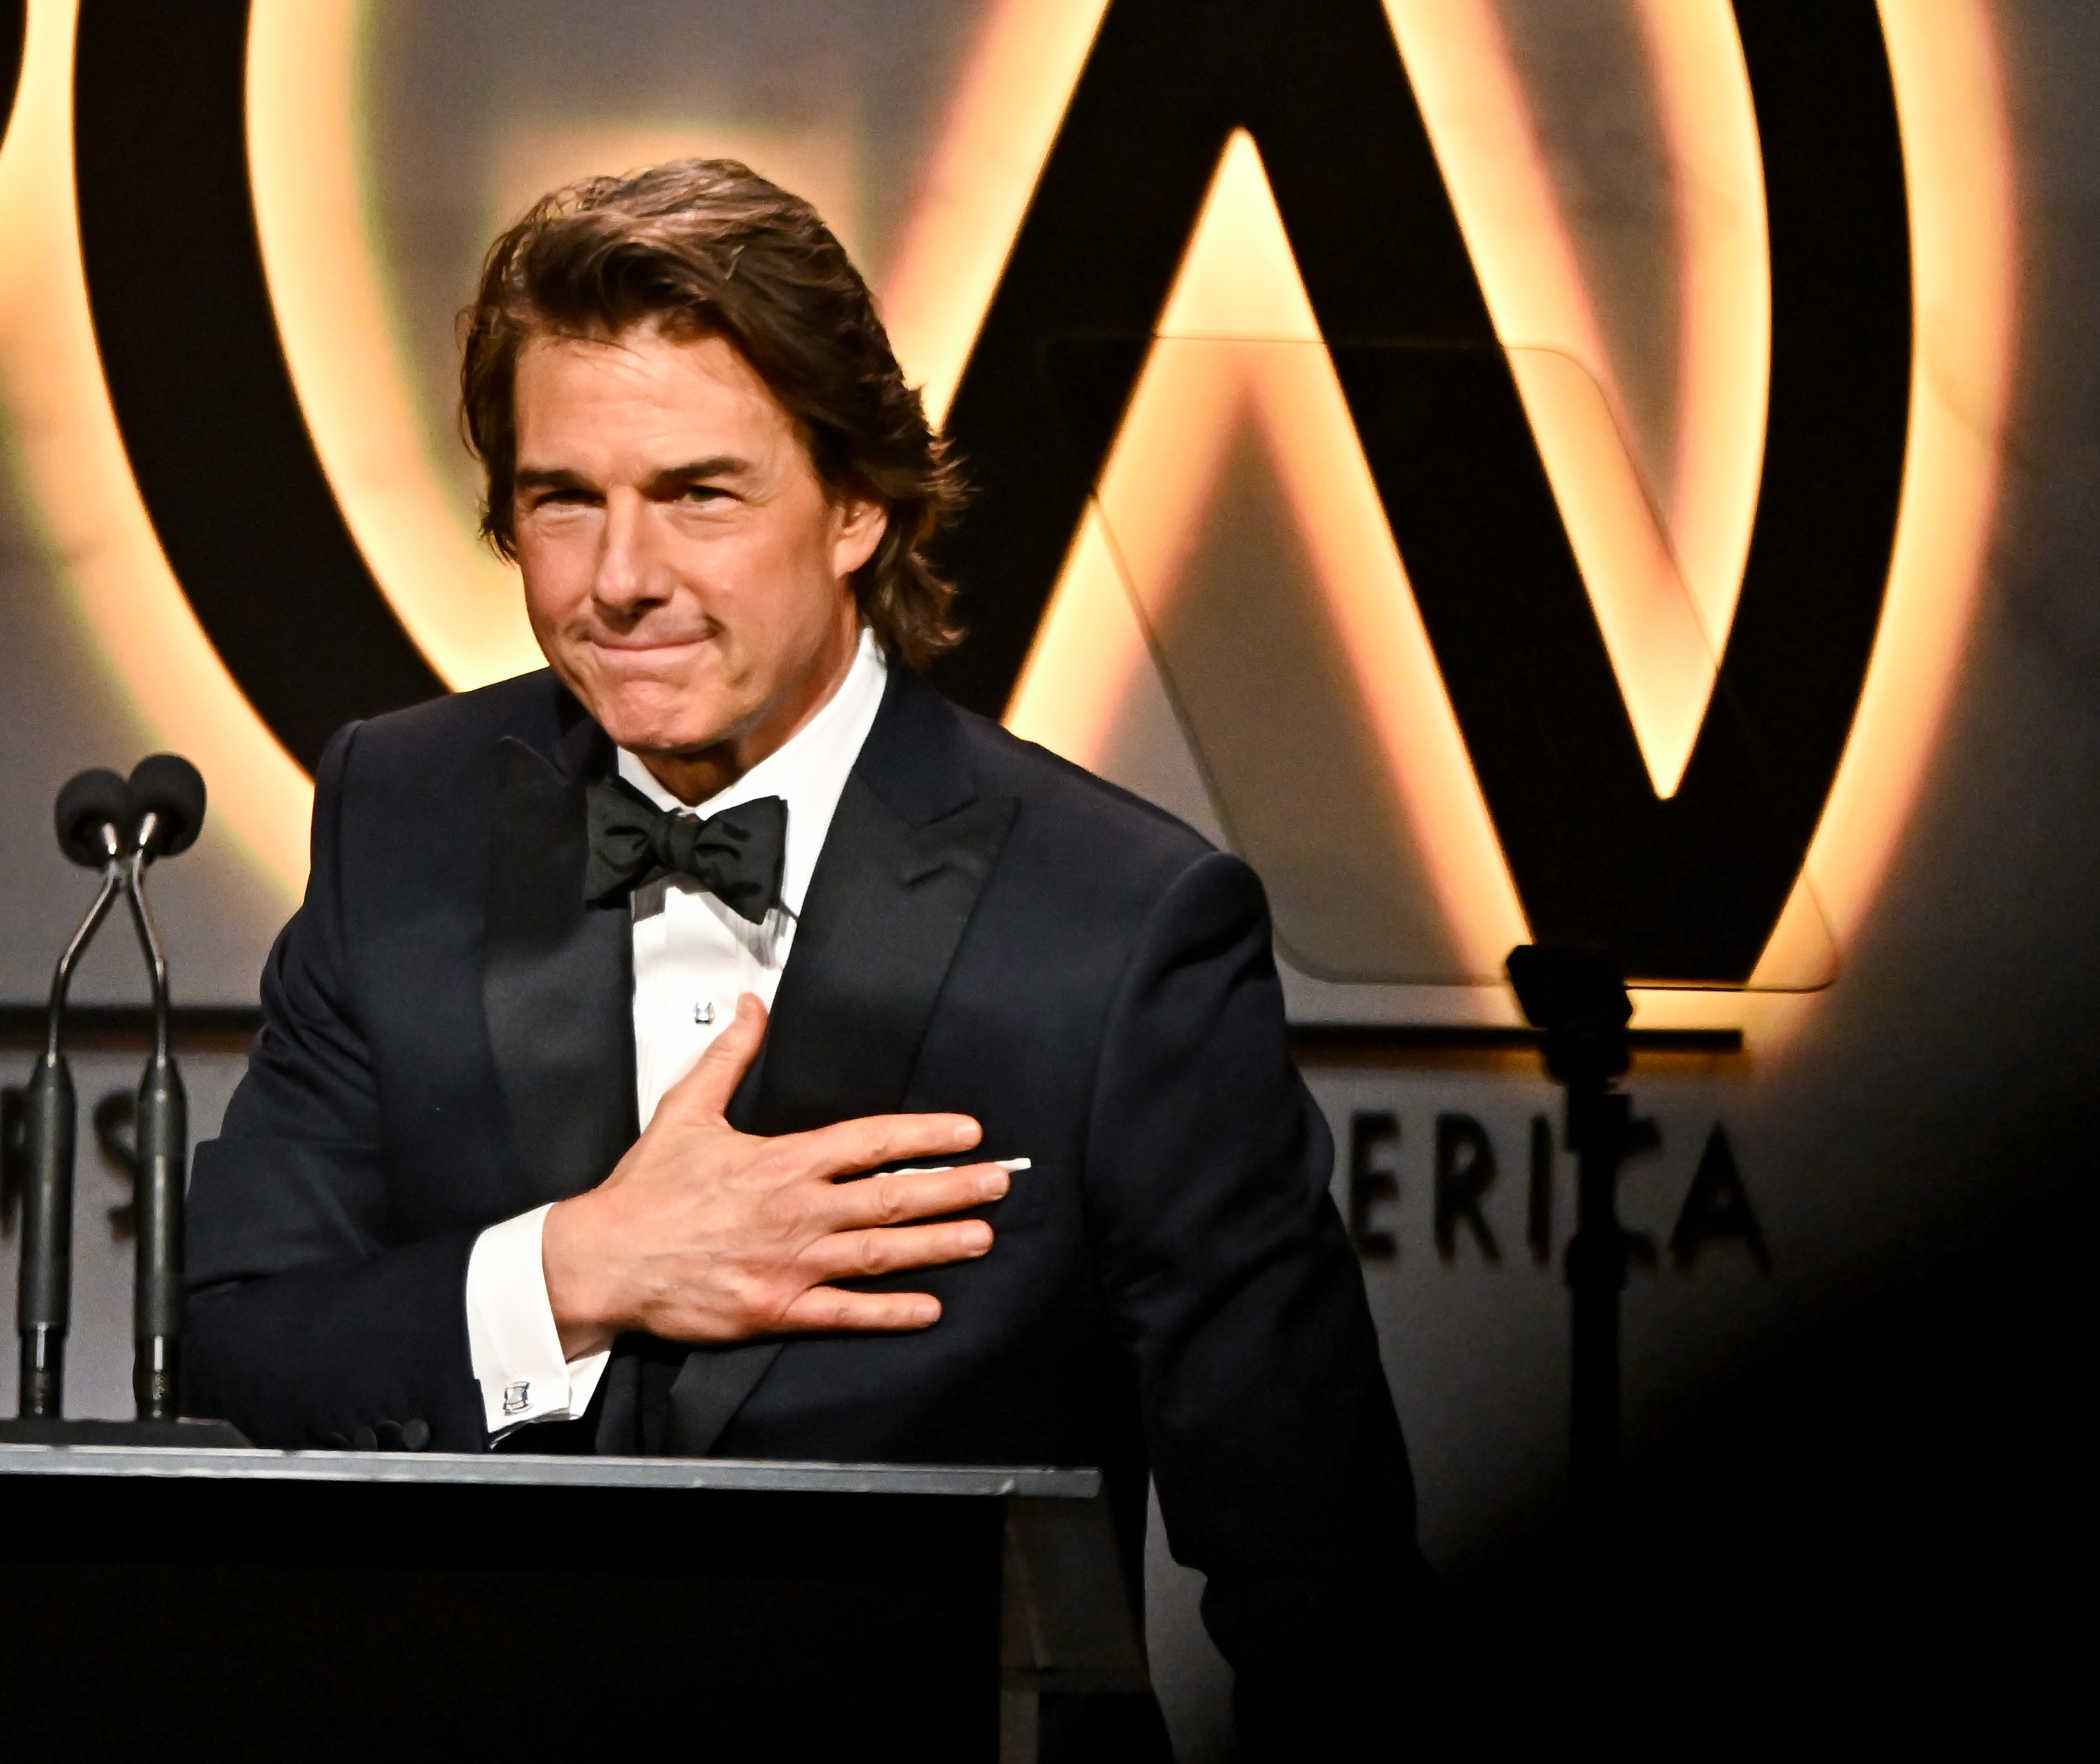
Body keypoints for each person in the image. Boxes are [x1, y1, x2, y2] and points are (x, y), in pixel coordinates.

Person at [182, 159, 1426, 1753]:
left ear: (856, 506)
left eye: (698, 494)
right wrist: (575, 1271)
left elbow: (1315, 1572)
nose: (617, 578)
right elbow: (241, 1345)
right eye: (565, 498)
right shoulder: (395, 815)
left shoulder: (1118, 925)